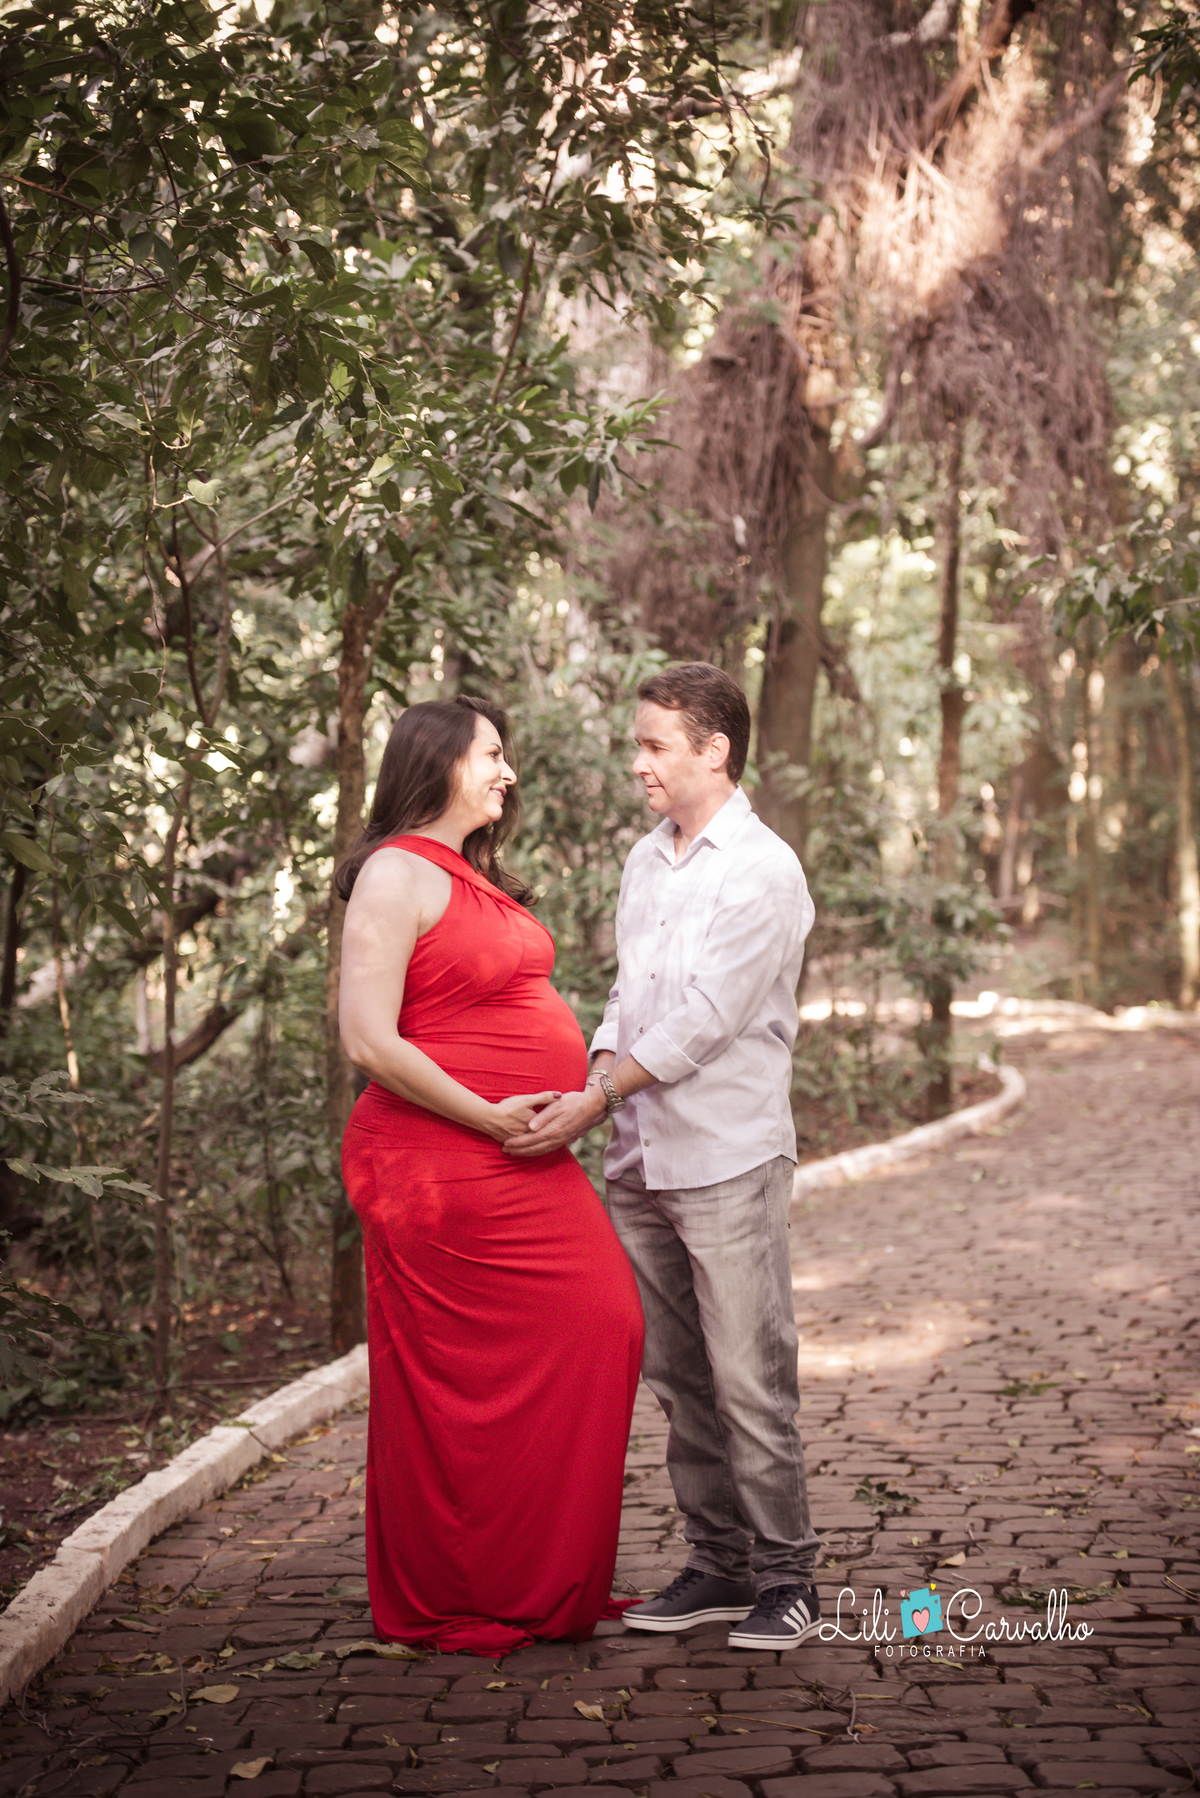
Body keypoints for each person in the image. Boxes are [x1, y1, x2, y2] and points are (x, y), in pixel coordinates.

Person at [506, 662, 820, 1650]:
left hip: (725, 1157)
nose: (637, 761)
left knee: (747, 1372)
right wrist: (592, 1082)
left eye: (654, 744)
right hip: (640, 1159)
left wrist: (593, 1100)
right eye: (638, 742)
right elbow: (630, 1002)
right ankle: (720, 1563)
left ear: (713, 749)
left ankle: (787, 1577)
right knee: (681, 1375)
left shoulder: (763, 869)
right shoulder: (648, 859)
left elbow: (703, 1023)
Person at [337, 694, 644, 1655]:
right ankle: (471, 1581)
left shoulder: (465, 875)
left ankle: (539, 1574)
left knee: (605, 1324)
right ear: (437, 764)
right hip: (439, 1161)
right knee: (459, 1378)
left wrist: (555, 1110)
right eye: (493, 755)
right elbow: (366, 1040)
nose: (508, 773)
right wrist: (489, 1114)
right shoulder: (394, 874)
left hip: (518, 1154)